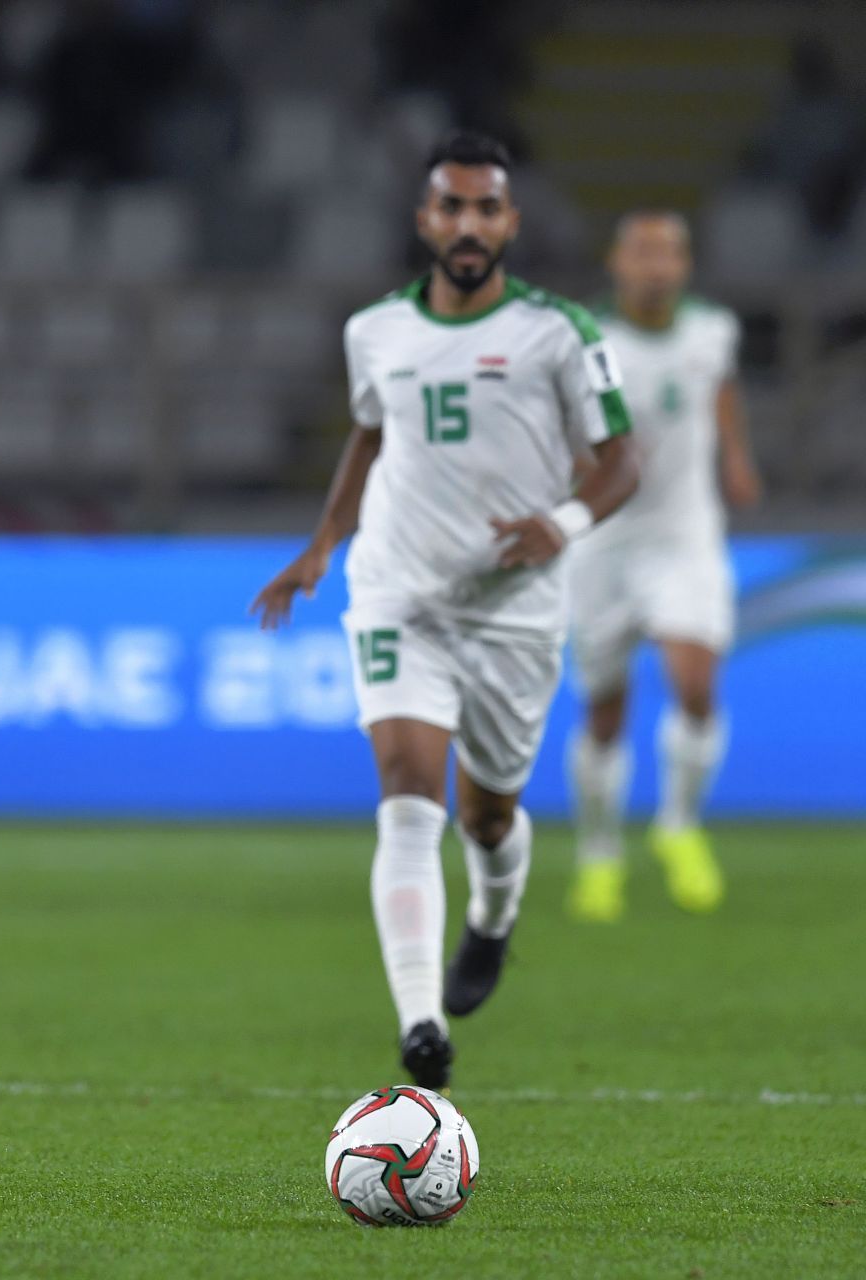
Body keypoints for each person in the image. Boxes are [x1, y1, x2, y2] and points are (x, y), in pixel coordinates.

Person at [250, 132, 639, 1090]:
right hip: (399, 592)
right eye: (452, 206)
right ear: (426, 219)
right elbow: (369, 438)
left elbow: (624, 462)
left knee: (490, 814)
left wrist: (565, 519)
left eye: (487, 208)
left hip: (513, 610)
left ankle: (494, 919)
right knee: (407, 791)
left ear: (511, 221)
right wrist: (323, 545)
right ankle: (422, 1026)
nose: (469, 224)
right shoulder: (375, 330)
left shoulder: (560, 333)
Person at [565, 211, 760, 923]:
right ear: (617, 261)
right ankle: (599, 852)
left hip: (685, 535)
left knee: (696, 682)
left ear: (685, 265)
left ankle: (678, 824)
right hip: (605, 543)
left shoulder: (714, 330)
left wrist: (735, 457)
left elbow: (722, 392)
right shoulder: (585, 339)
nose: (656, 264)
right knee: (605, 711)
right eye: (642, 251)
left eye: (669, 252)